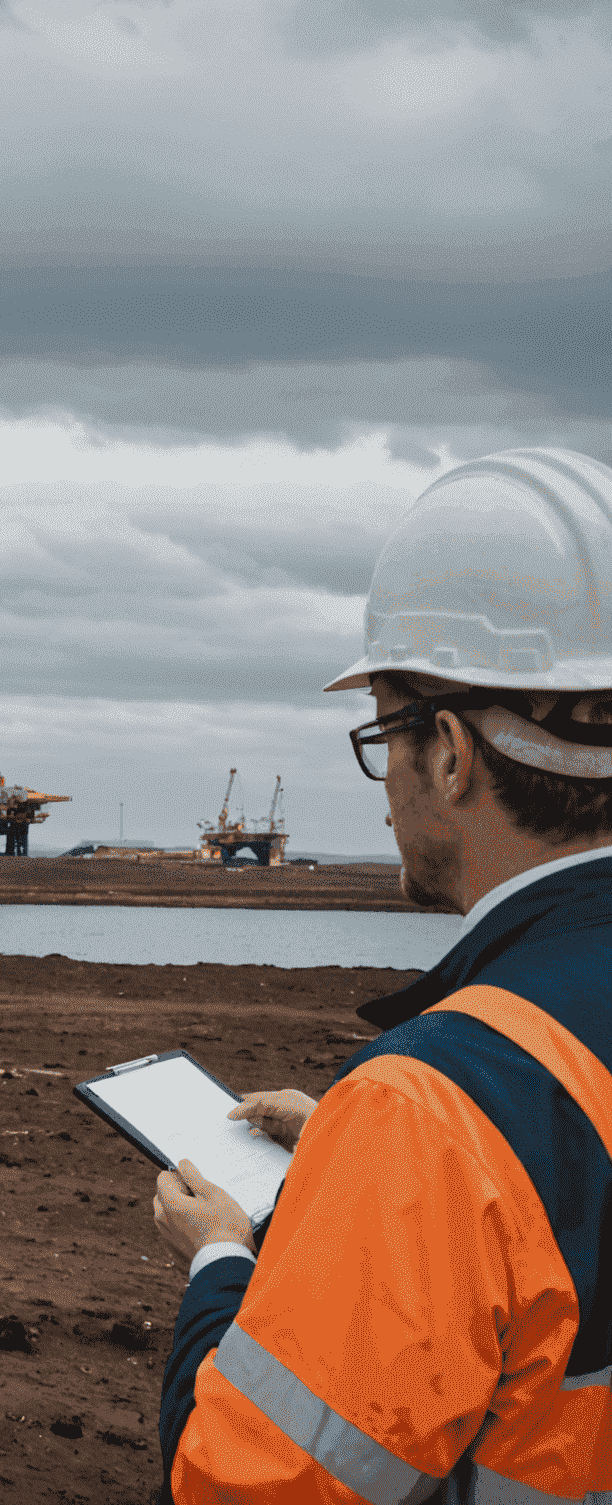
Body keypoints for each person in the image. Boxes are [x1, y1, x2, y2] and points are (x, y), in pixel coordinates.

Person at [152, 447, 612, 1505]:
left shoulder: (434, 1111)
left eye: (382, 737)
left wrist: (223, 1259)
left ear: (449, 752)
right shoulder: (459, 1127)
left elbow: (246, 1486)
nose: (386, 783)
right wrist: (375, 1176)